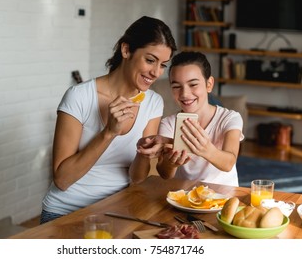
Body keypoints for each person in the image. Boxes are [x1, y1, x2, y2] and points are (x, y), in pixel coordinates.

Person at [40, 16, 177, 224]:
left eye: (163, 65)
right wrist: (109, 133)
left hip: (117, 210)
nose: (156, 73)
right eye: (150, 60)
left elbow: (138, 178)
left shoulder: (153, 102)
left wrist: (143, 152)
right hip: (66, 213)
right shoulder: (79, 96)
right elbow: (62, 179)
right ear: (126, 50)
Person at [139, 51, 244, 186]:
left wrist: (205, 148)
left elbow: (229, 163)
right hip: (184, 198)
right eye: (176, 86)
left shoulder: (229, 118)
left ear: (209, 84)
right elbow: (164, 174)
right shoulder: (169, 123)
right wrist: (171, 164)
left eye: (193, 84)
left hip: (223, 197)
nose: (184, 93)